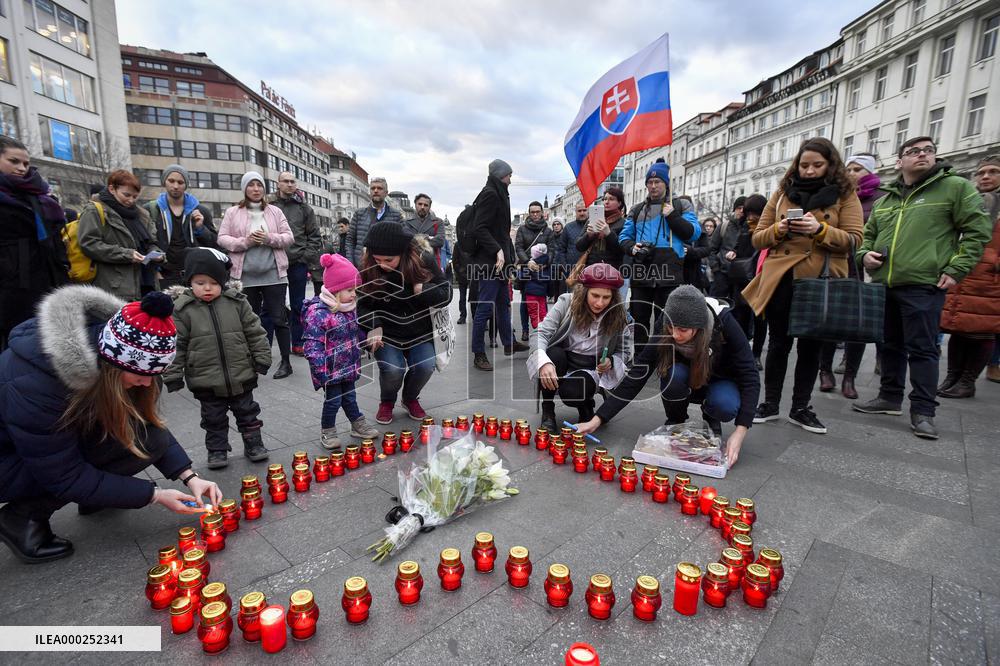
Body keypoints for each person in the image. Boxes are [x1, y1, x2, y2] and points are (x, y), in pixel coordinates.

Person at [0, 287, 222, 563]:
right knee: (69, 469)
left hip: (47, 444)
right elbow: (62, 474)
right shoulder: (35, 384)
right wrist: (154, 495)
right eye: (141, 375)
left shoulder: (108, 356)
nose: (147, 383)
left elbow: (145, 425)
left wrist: (191, 477)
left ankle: (98, 495)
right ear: (114, 364)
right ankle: (21, 517)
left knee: (149, 441)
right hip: (9, 460)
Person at [853, 138, 992, 438]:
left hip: (924, 283)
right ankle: (889, 397)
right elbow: (867, 236)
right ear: (899, 161)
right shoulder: (886, 199)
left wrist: (957, 269)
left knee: (923, 349)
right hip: (886, 282)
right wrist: (865, 255)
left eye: (928, 151)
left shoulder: (954, 187)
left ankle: (923, 410)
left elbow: (978, 230)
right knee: (889, 344)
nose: (922, 156)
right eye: (913, 152)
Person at [744, 138, 864, 435]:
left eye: (817, 165)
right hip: (782, 277)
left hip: (819, 278)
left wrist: (820, 230)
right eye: (804, 164)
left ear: (830, 165)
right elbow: (758, 238)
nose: (809, 171)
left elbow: (855, 239)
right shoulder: (783, 192)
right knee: (778, 343)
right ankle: (770, 404)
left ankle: (801, 407)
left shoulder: (845, 194)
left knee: (811, 346)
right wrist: (779, 229)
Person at [575, 285, 759, 467]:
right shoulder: (666, 321)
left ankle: (711, 417)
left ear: (698, 327)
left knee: (725, 405)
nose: (675, 335)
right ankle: (676, 421)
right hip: (684, 375)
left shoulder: (723, 321)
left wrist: (740, 432)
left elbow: (750, 375)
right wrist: (598, 419)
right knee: (673, 375)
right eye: (671, 328)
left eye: (682, 330)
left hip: (721, 378)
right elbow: (639, 372)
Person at [163, 248, 272, 469]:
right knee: (213, 418)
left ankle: (254, 444)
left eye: (213, 282)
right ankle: (217, 450)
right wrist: (173, 374)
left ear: (222, 282)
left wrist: (262, 358)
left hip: (241, 373)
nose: (207, 288)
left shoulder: (237, 302)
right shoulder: (182, 310)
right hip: (205, 378)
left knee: (248, 412)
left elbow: (255, 331)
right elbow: (175, 345)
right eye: (200, 282)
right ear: (189, 282)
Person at [358, 222, 452, 424]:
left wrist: (421, 288)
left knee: (425, 366)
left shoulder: (423, 259)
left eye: (389, 260)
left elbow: (446, 293)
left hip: (419, 330)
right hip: (387, 332)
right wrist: (374, 324)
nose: (382, 264)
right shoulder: (368, 267)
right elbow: (360, 304)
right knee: (393, 369)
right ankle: (387, 402)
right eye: (377, 259)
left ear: (403, 253)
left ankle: (410, 398)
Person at [527, 263, 633, 433]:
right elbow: (540, 333)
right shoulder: (566, 303)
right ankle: (548, 409)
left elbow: (626, 351)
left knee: (571, 393)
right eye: (595, 295)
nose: (599, 303)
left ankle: (586, 405)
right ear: (584, 291)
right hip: (563, 360)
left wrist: (611, 361)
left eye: (606, 298)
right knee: (552, 355)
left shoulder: (618, 314)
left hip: (592, 367)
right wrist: (543, 362)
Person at [217, 171, 295, 379]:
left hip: (274, 274)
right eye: (251, 185)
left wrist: (268, 238)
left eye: (259, 185)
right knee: (249, 321)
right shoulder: (233, 212)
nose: (256, 189)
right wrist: (246, 242)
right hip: (244, 277)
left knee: (279, 318)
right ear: (244, 189)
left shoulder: (275, 212)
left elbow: (289, 237)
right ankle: (254, 359)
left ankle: (286, 362)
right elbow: (222, 238)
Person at [818, 153, 884, 399]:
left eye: (858, 169)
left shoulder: (880, 199)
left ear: (870, 172)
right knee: (828, 323)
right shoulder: (835, 196)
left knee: (857, 326)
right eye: (849, 168)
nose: (852, 173)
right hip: (834, 265)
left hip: (862, 269)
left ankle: (850, 378)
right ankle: (825, 371)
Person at [302, 253, 380, 451]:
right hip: (330, 370)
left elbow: (354, 333)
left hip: (348, 366)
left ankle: (357, 424)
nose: (354, 294)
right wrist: (321, 370)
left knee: (350, 397)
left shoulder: (349, 308)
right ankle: (327, 429)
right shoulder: (319, 314)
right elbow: (312, 345)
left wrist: (366, 341)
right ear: (335, 290)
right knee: (333, 401)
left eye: (355, 289)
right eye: (349, 289)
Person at [619, 157, 700, 348]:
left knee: (668, 321)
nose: (653, 186)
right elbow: (623, 238)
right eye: (650, 182)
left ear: (666, 183)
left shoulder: (680, 205)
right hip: (642, 272)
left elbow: (693, 233)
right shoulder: (636, 209)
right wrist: (632, 247)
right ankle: (640, 359)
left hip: (670, 272)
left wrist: (673, 216)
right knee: (639, 319)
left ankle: (664, 358)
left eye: (657, 182)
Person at [937, 157, 1000, 398]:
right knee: (959, 328)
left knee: (982, 330)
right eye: (981, 172)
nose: (985, 176)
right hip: (964, 274)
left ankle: (968, 380)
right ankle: (952, 376)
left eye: (993, 172)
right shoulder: (970, 200)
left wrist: (995, 264)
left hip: (990, 279)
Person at [0, 136, 68, 351]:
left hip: (46, 281)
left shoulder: (40, 196)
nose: (22, 168)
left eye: (26, 164)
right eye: (14, 161)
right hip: (9, 287)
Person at [469, 159, 528, 372]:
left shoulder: (500, 193)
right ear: (499, 175)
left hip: (500, 263)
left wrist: (508, 256)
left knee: (503, 305)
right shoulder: (490, 194)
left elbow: (502, 232)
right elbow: (479, 228)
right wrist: (497, 250)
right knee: (484, 309)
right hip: (490, 262)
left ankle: (509, 343)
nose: (510, 179)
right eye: (508, 175)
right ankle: (478, 353)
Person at [79, 170, 163, 301]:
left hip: (145, 284)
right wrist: (127, 254)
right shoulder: (94, 210)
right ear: (112, 189)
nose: (131, 200)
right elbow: (89, 244)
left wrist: (156, 253)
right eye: (126, 195)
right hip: (113, 288)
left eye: (135, 197)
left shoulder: (142, 214)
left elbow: (152, 242)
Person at [270, 172, 322, 357]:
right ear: (278, 184)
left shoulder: (304, 208)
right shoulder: (268, 205)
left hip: (298, 263)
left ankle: (298, 343)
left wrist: (304, 257)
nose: (290, 184)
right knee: (271, 305)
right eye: (286, 181)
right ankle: (265, 345)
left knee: (298, 305)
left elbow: (314, 237)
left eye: (293, 181)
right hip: (274, 262)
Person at [143, 164, 216, 288]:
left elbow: (214, 244)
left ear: (186, 185)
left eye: (180, 182)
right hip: (163, 274)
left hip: (193, 274)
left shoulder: (201, 210)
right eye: (171, 181)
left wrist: (200, 228)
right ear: (164, 182)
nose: (175, 186)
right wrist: (154, 271)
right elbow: (144, 243)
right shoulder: (151, 209)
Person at [515, 201, 554, 340]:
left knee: (541, 300)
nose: (535, 214)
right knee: (525, 300)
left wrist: (545, 263)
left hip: (542, 270)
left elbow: (552, 250)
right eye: (533, 212)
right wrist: (527, 261)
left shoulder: (548, 230)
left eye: (538, 212)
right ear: (529, 213)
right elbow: (518, 247)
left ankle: (542, 330)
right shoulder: (522, 229)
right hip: (526, 269)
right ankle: (525, 330)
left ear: (542, 212)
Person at [346, 177, 403, 268]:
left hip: (387, 269)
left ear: (386, 193)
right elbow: (350, 241)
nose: (376, 191)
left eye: (379, 188)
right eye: (373, 188)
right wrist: (351, 264)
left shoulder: (396, 215)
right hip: (362, 267)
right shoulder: (359, 214)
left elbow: (403, 243)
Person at [403, 193, 446, 268]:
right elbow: (407, 240)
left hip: (432, 263)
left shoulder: (438, 222)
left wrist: (416, 238)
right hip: (412, 262)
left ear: (429, 207)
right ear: (415, 204)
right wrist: (428, 237)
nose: (422, 207)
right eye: (420, 204)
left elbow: (440, 241)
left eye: (426, 205)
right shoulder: (407, 222)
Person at [519, 242, 551, 330]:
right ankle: (544, 330)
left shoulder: (531, 265)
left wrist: (517, 272)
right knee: (543, 313)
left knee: (534, 314)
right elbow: (549, 278)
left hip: (531, 294)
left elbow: (522, 276)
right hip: (542, 294)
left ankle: (537, 331)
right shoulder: (547, 264)